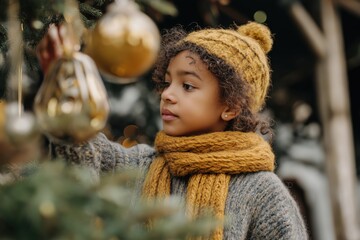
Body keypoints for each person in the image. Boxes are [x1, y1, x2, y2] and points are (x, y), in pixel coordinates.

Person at [37, 22, 308, 239]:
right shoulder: (138, 165)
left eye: (187, 86)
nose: (167, 94)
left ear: (231, 106)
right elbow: (81, 152)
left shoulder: (262, 191)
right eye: (167, 83)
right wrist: (63, 87)